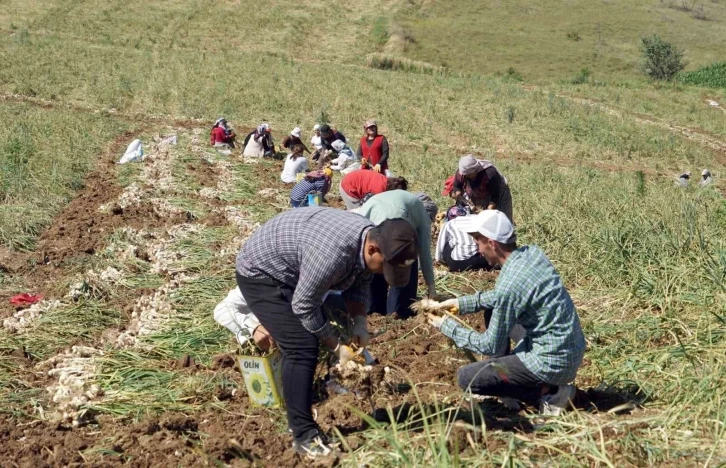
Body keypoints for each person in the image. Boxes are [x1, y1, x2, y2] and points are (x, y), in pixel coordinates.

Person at [236, 209, 420, 457]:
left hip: (293, 267)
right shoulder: (333, 254)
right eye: (384, 266)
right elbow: (304, 305)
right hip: (262, 273)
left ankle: (300, 398)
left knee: (308, 336)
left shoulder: (368, 239)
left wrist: (359, 322)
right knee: (301, 346)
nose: (381, 272)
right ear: (374, 249)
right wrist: (336, 347)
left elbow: (360, 281)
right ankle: (303, 434)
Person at [426, 210, 586, 415]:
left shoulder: (509, 284)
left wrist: (447, 326)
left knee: (467, 378)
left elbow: (488, 343)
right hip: (568, 348)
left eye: (477, 240)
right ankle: (508, 381)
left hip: (551, 362)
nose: (477, 248)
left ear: (492, 243)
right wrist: (460, 303)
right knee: (493, 311)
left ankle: (550, 393)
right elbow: (500, 298)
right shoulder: (531, 253)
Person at [353, 190, 438, 319]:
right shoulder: (423, 216)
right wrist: (431, 286)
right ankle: (398, 312)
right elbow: (424, 252)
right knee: (406, 257)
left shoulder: (401, 202)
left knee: (377, 261)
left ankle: (375, 311)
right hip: (388, 228)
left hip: (375, 229)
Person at [445, 155, 512, 221]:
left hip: (498, 194)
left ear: (475, 170)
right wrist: (460, 197)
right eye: (466, 175)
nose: (467, 176)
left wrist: (488, 212)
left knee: (501, 219)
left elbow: (495, 196)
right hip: (479, 194)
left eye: (469, 174)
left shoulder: (489, 173)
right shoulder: (462, 172)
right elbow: (457, 186)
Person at [339, 169, 408, 210]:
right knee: (356, 214)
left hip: (351, 180)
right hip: (348, 187)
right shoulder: (379, 190)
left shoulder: (385, 180)